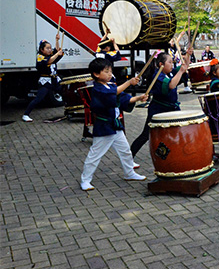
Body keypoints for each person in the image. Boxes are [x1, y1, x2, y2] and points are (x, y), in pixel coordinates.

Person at [80, 58, 147, 191]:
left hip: (115, 125)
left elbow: (123, 99)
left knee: (125, 151)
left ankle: (129, 173)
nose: (110, 73)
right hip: (104, 126)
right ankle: (85, 180)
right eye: (106, 71)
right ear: (96, 74)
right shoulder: (98, 89)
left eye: (110, 71)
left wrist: (139, 98)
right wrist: (129, 82)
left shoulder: (110, 85)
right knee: (95, 155)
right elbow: (113, 93)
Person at [130, 50, 191, 160]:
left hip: (172, 108)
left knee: (179, 131)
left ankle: (182, 155)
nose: (172, 65)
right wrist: (181, 71)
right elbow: (171, 85)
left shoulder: (170, 73)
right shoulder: (158, 76)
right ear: (161, 65)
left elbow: (185, 66)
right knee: (146, 135)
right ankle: (129, 158)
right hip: (158, 109)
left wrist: (188, 55)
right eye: (170, 63)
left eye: (172, 62)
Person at [23, 37, 64, 122]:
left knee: (65, 94)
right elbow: (49, 61)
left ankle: (70, 111)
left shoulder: (51, 56)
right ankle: (26, 114)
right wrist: (57, 54)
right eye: (47, 48)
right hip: (46, 81)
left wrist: (57, 40)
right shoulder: (40, 57)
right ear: (42, 49)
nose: (49, 50)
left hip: (55, 80)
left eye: (50, 48)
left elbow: (57, 51)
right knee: (38, 99)